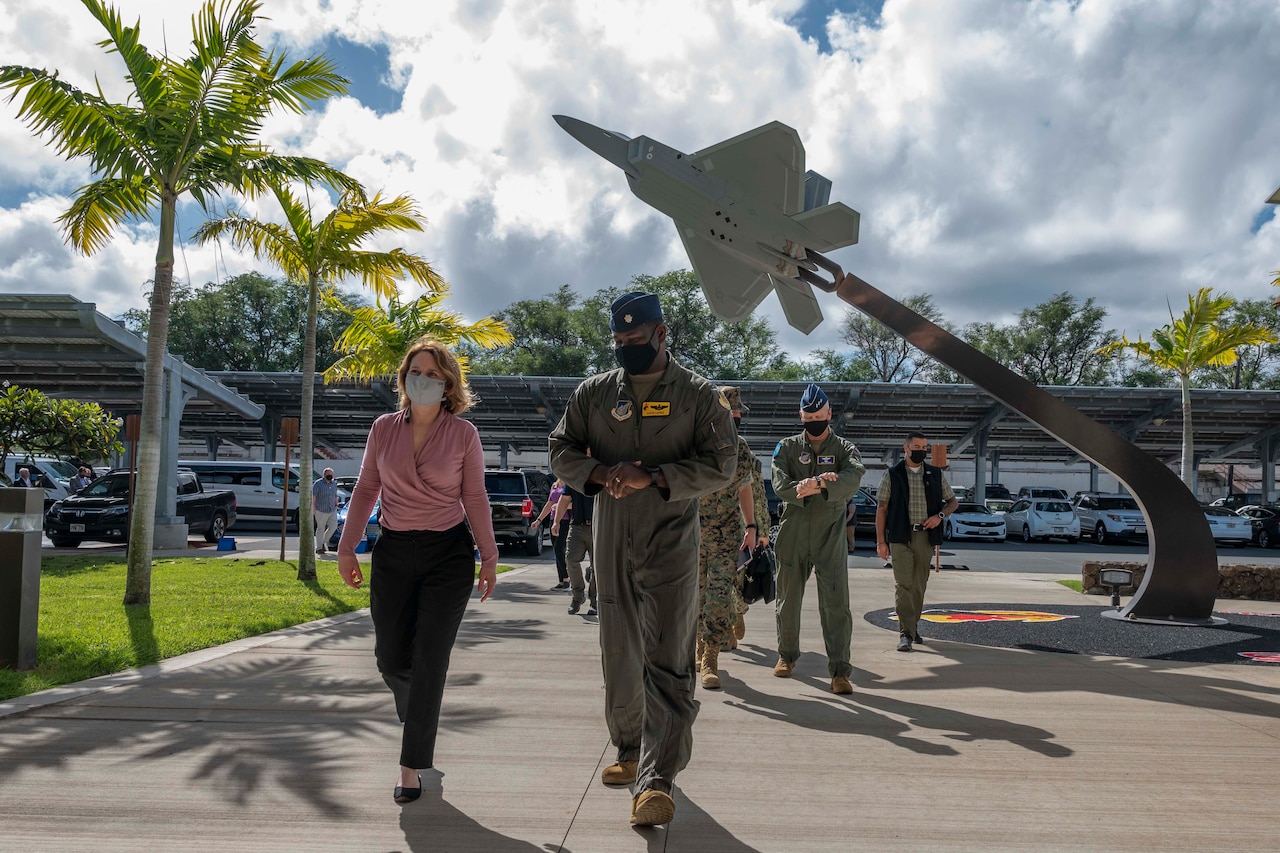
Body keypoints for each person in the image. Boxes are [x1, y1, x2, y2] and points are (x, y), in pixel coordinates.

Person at [549, 290, 736, 828]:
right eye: (619, 340)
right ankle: (628, 749)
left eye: (636, 338)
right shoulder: (594, 393)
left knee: (669, 655)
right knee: (618, 649)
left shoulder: (700, 396)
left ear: (661, 333)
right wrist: (601, 474)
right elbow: (560, 448)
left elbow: (721, 466)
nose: (626, 347)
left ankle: (657, 779)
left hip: (670, 536)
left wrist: (655, 477)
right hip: (610, 532)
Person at [337, 337, 498, 805]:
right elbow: (367, 488)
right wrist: (347, 548)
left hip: (447, 554)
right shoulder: (383, 428)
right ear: (404, 377)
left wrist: (488, 557)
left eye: (432, 373)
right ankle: (419, 719)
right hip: (392, 551)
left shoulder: (463, 435)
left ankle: (411, 766)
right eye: (415, 371)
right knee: (391, 658)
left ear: (448, 383)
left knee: (430, 659)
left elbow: (475, 499)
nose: (422, 380)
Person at [770, 383, 865, 695]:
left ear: (829, 413)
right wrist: (810, 484)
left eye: (819, 415)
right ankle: (786, 656)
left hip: (830, 534)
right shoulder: (786, 447)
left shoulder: (844, 449)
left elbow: (853, 478)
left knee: (836, 604)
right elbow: (780, 482)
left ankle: (839, 672)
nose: (814, 421)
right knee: (788, 601)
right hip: (793, 532)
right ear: (801, 416)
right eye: (808, 416)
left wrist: (820, 487)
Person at [695, 386, 759, 690]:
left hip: (726, 534)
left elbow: (745, 488)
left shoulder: (742, 449)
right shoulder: (693, 444)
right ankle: (695, 646)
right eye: (730, 412)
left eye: (737, 414)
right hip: (692, 533)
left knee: (718, 596)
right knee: (695, 594)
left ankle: (711, 655)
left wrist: (752, 527)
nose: (735, 418)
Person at [875, 430, 958, 652]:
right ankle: (905, 633)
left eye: (924, 448)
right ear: (906, 448)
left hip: (925, 537)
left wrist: (939, 516)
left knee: (919, 586)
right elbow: (881, 509)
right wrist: (881, 542)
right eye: (917, 448)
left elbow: (952, 503)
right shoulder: (892, 475)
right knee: (904, 585)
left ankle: (913, 626)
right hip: (900, 537)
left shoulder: (935, 474)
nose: (921, 452)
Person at [560, 482, 597, 615]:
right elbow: (564, 499)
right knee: (570, 559)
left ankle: (594, 600)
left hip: (598, 527)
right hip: (577, 526)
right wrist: (556, 522)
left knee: (597, 566)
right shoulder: (574, 477)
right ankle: (577, 597)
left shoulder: (603, 474)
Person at [533, 478, 570, 589]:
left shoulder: (569, 485)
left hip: (565, 521)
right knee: (556, 550)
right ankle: (561, 580)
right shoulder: (554, 485)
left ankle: (567, 578)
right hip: (553, 520)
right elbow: (549, 504)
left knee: (560, 549)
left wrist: (559, 506)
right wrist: (538, 520)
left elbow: (573, 504)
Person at [312, 467, 340, 554]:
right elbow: (313, 496)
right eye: (328, 474)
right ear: (324, 475)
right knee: (321, 528)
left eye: (331, 475)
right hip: (321, 509)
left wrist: (336, 504)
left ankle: (323, 542)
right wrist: (313, 508)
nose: (330, 476)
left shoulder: (333, 484)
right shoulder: (318, 484)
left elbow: (335, 495)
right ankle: (319, 548)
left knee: (333, 527)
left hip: (331, 509)